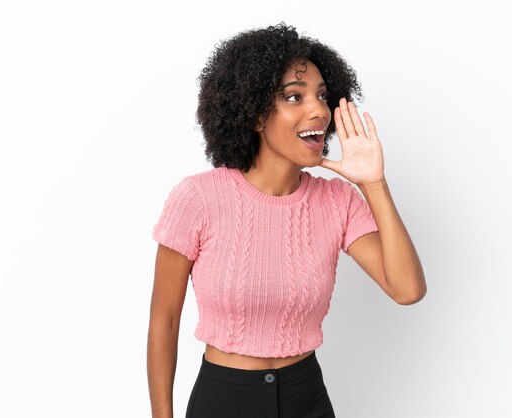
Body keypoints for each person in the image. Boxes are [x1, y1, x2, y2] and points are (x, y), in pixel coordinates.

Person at [147, 22, 426, 418]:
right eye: (294, 97)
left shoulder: (337, 201)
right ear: (256, 114)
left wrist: (374, 184)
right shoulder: (198, 198)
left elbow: (407, 289)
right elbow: (164, 319)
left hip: (305, 396)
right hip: (224, 399)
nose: (318, 110)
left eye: (322, 96)